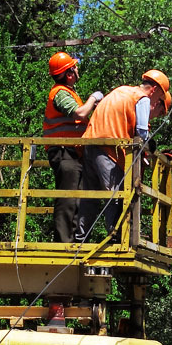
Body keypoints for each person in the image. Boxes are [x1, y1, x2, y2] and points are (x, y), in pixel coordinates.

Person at [77, 69, 170, 241]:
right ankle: (115, 237)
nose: (155, 103)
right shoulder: (141, 98)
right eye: (159, 99)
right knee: (115, 194)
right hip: (108, 149)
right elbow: (141, 133)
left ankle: (80, 239)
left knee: (89, 196)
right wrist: (151, 146)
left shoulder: (120, 90)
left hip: (90, 145)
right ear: (155, 90)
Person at [41, 52, 103, 243]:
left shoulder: (68, 92)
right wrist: (93, 98)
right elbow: (80, 113)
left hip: (72, 153)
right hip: (63, 152)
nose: (77, 69)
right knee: (67, 198)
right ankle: (63, 243)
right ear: (68, 73)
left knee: (78, 198)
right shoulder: (60, 93)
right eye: (74, 67)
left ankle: (75, 241)